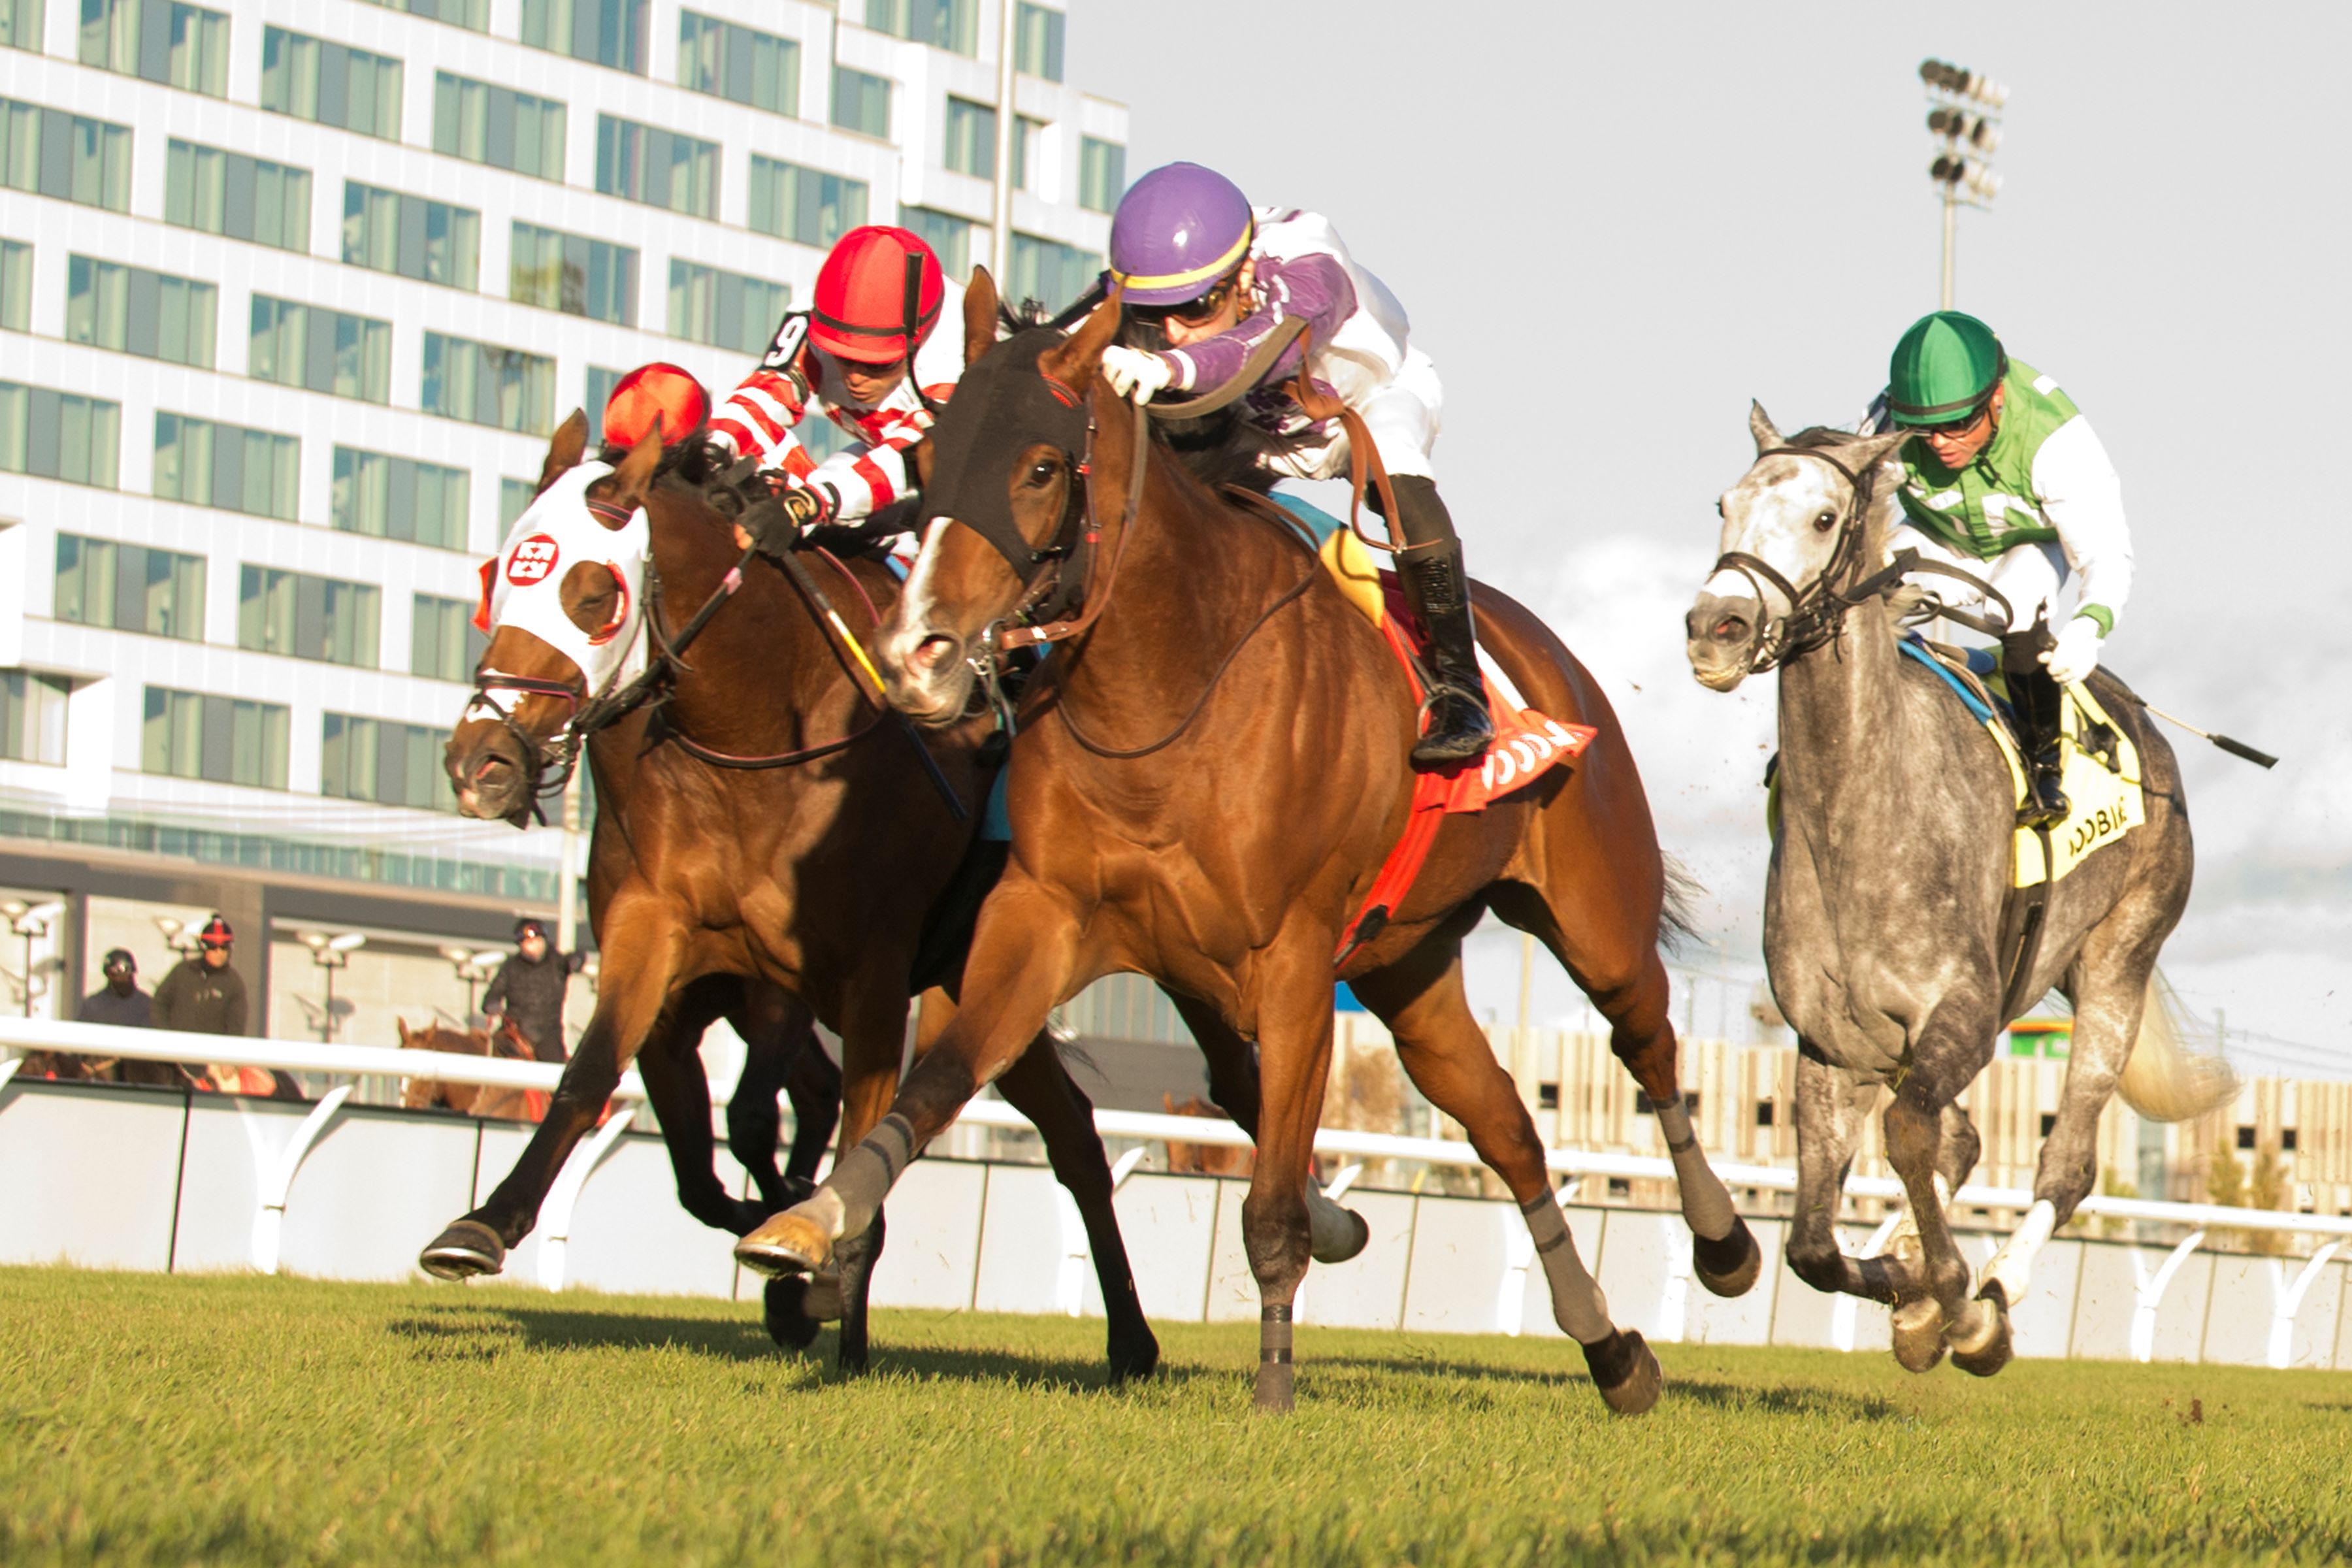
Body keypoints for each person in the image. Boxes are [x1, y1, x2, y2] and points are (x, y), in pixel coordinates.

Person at [1092, 162, 1492, 766]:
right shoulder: (1155, 285)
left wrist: (1172, 370)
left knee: (1402, 481)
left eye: (1197, 306)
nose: (1173, 332)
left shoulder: (1307, 258)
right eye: (1154, 315)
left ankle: (1463, 689)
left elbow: (1272, 342)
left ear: (1243, 271)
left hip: (1366, 404)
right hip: (1257, 431)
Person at [1863, 311, 2132, 828]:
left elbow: (2105, 551)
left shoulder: (2057, 442)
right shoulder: (1885, 422)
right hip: (1936, 540)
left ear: (1997, 399)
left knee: (2015, 607)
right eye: (1925, 430)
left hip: (2026, 547)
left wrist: (2088, 627)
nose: (1940, 443)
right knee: (1860, 588)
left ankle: (2043, 767)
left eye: (1957, 425)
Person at [602, 225, 960, 554]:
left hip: (961, 479)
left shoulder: (957, 351)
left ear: (919, 338)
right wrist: (709, 452)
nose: (854, 377)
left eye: (878, 363)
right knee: (786, 476)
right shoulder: (817, 310)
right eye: (842, 357)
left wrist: (806, 505)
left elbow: (909, 455)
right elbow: (767, 393)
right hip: (878, 450)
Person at [481, 917, 578, 1065]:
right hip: (515, 1033)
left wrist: (577, 960)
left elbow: (579, 957)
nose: (535, 946)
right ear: (521, 945)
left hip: (548, 1036)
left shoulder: (558, 963)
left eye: (538, 941)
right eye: (530, 943)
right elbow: (492, 995)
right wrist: (492, 1004)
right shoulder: (510, 967)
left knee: (555, 1073)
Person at [80, 948, 152, 1029]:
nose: (120, 979)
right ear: (107, 975)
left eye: (125, 974)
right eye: (113, 974)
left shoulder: (145, 1005)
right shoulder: (93, 1005)